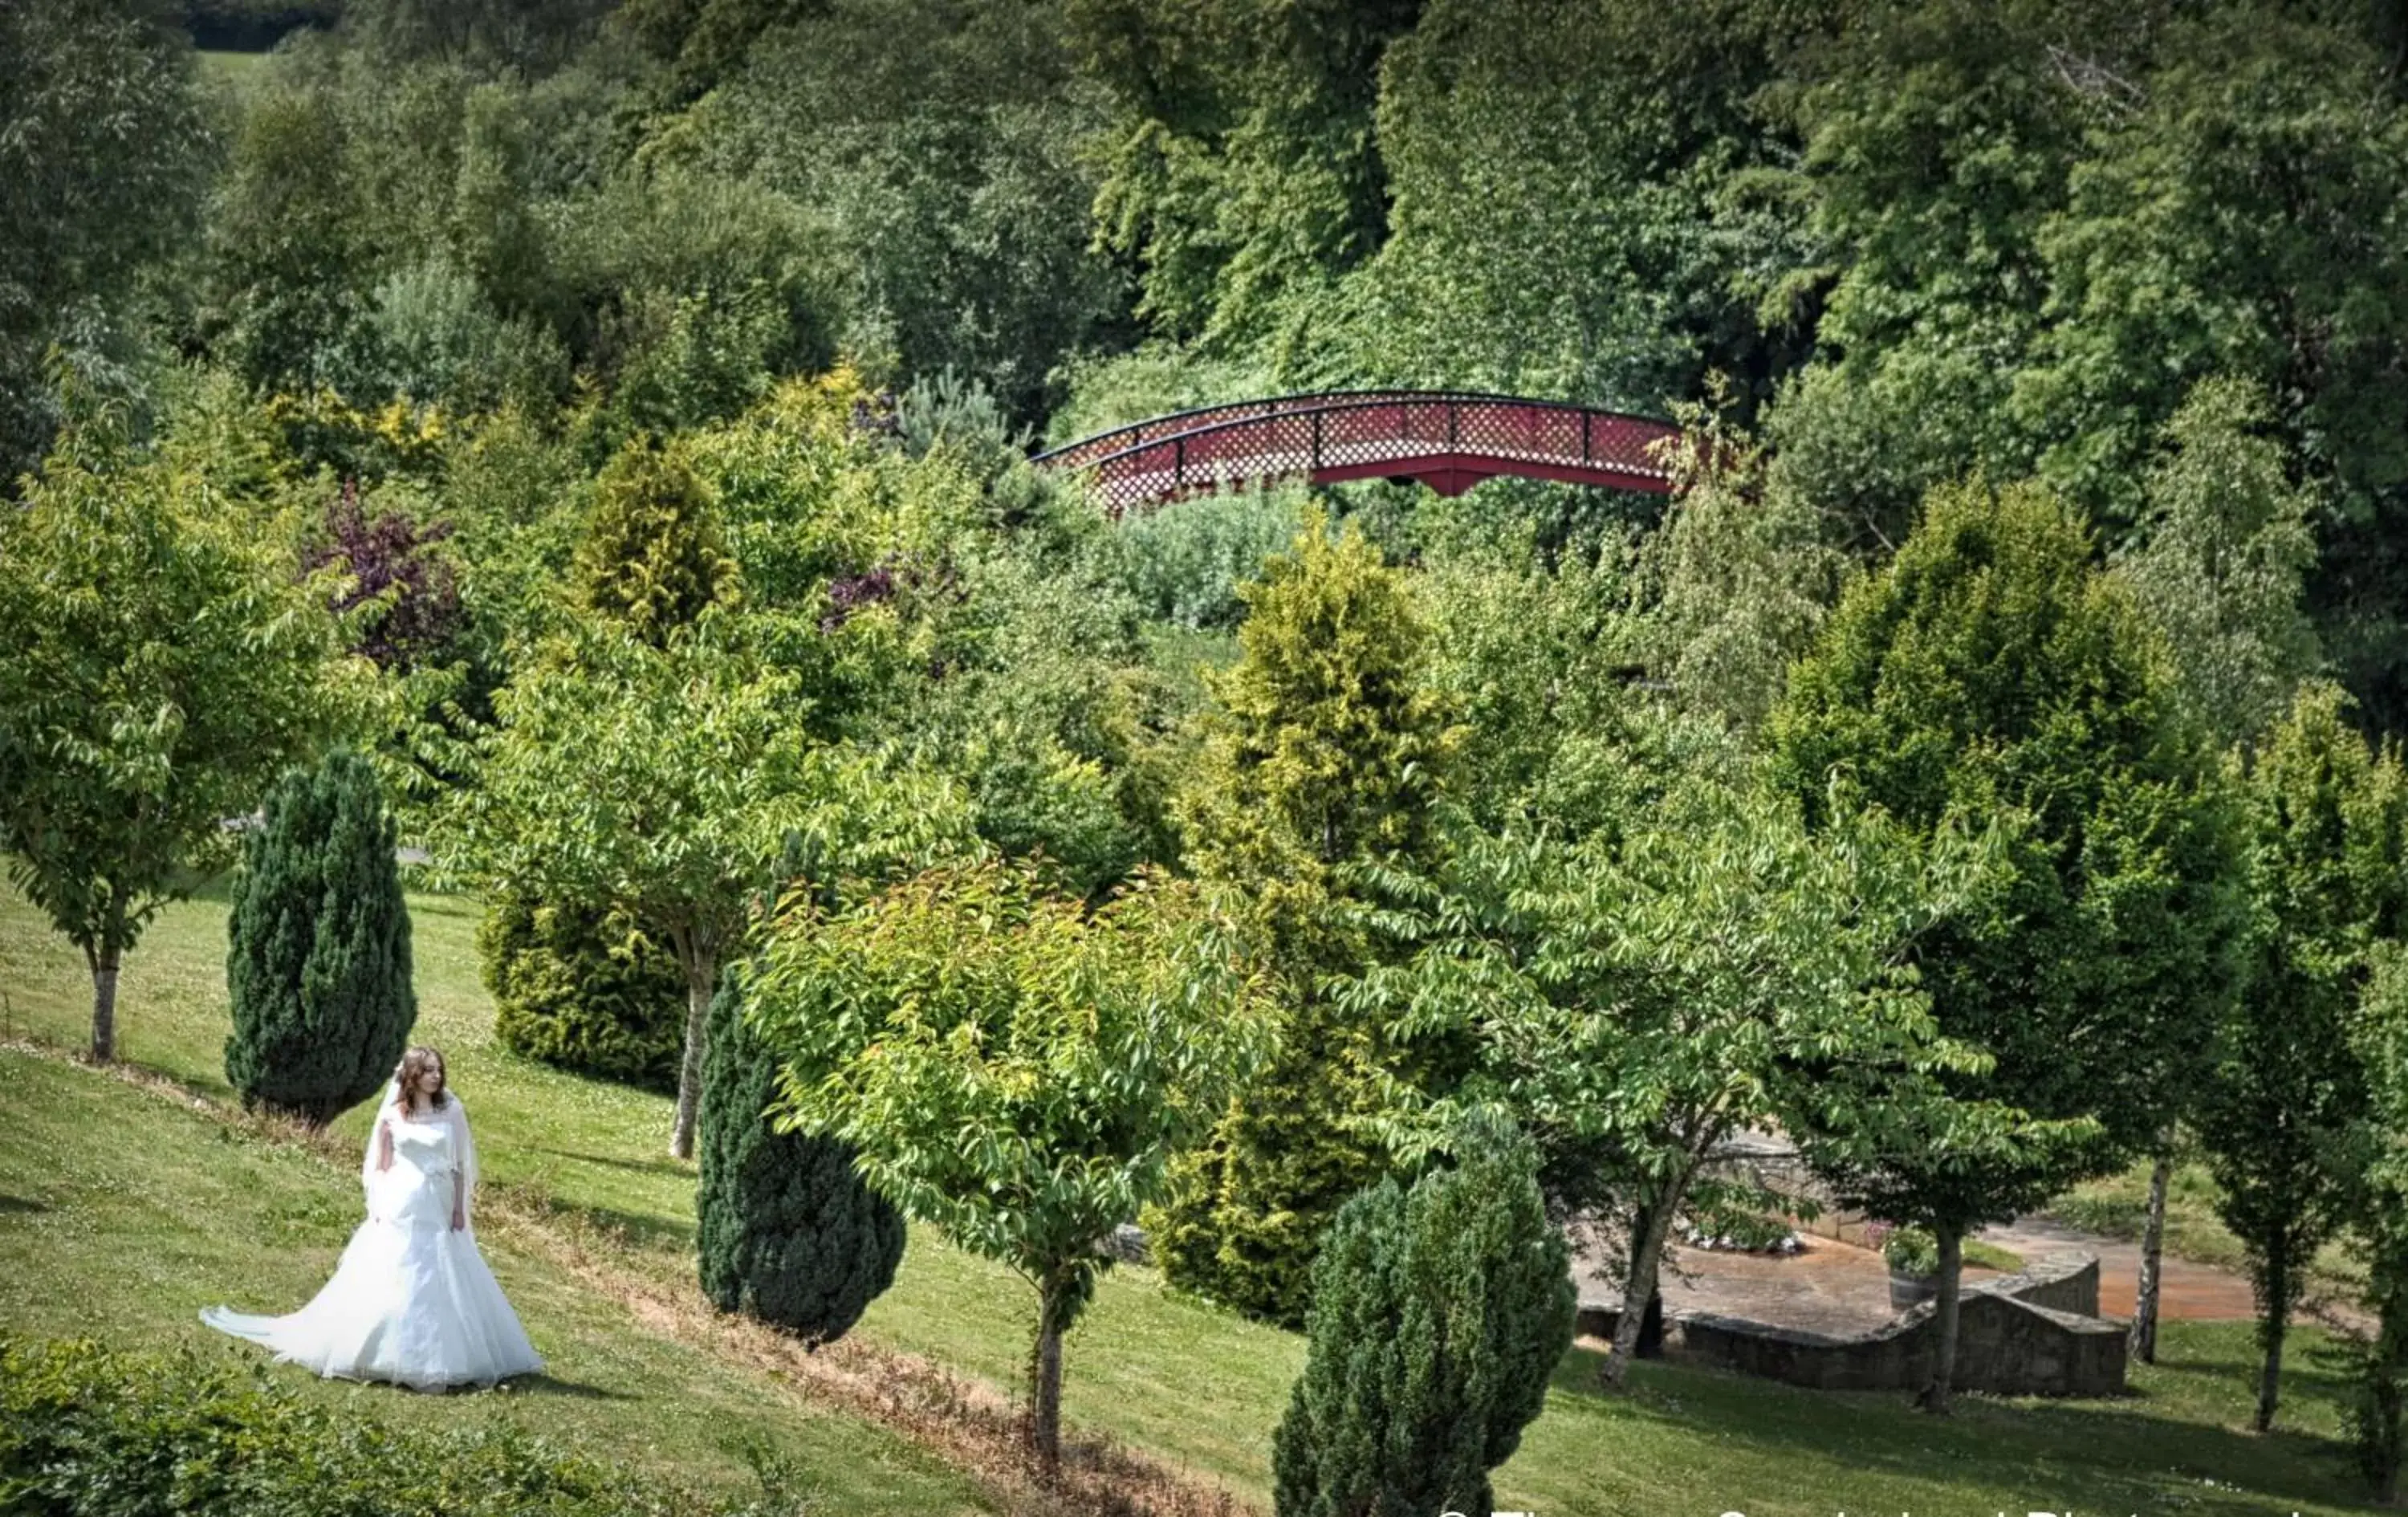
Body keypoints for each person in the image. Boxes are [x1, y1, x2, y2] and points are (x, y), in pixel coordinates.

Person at [201, 1046, 544, 1391]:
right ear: (412, 1075)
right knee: (396, 1268)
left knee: (442, 1271)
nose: (436, 1076)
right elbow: (381, 1166)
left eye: (438, 1070)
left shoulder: (452, 1111)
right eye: (427, 1070)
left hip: (437, 1203)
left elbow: (458, 1166)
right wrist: (380, 1206)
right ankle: (378, 1349)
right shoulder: (394, 1114)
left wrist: (458, 1209)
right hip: (402, 1200)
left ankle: (446, 1352)